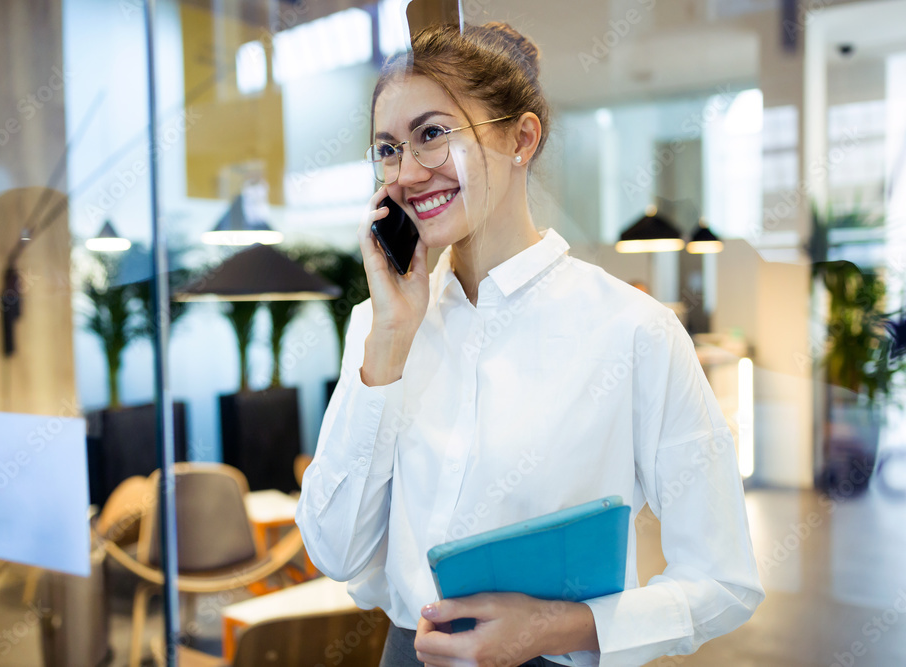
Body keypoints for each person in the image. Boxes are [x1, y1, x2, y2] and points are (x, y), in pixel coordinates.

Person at [295, 21, 763, 667]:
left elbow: (724, 581)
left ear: (521, 138)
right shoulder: (379, 327)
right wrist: (391, 337)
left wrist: (559, 627)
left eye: (433, 134)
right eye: (387, 148)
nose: (407, 172)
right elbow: (335, 551)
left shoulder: (634, 328)